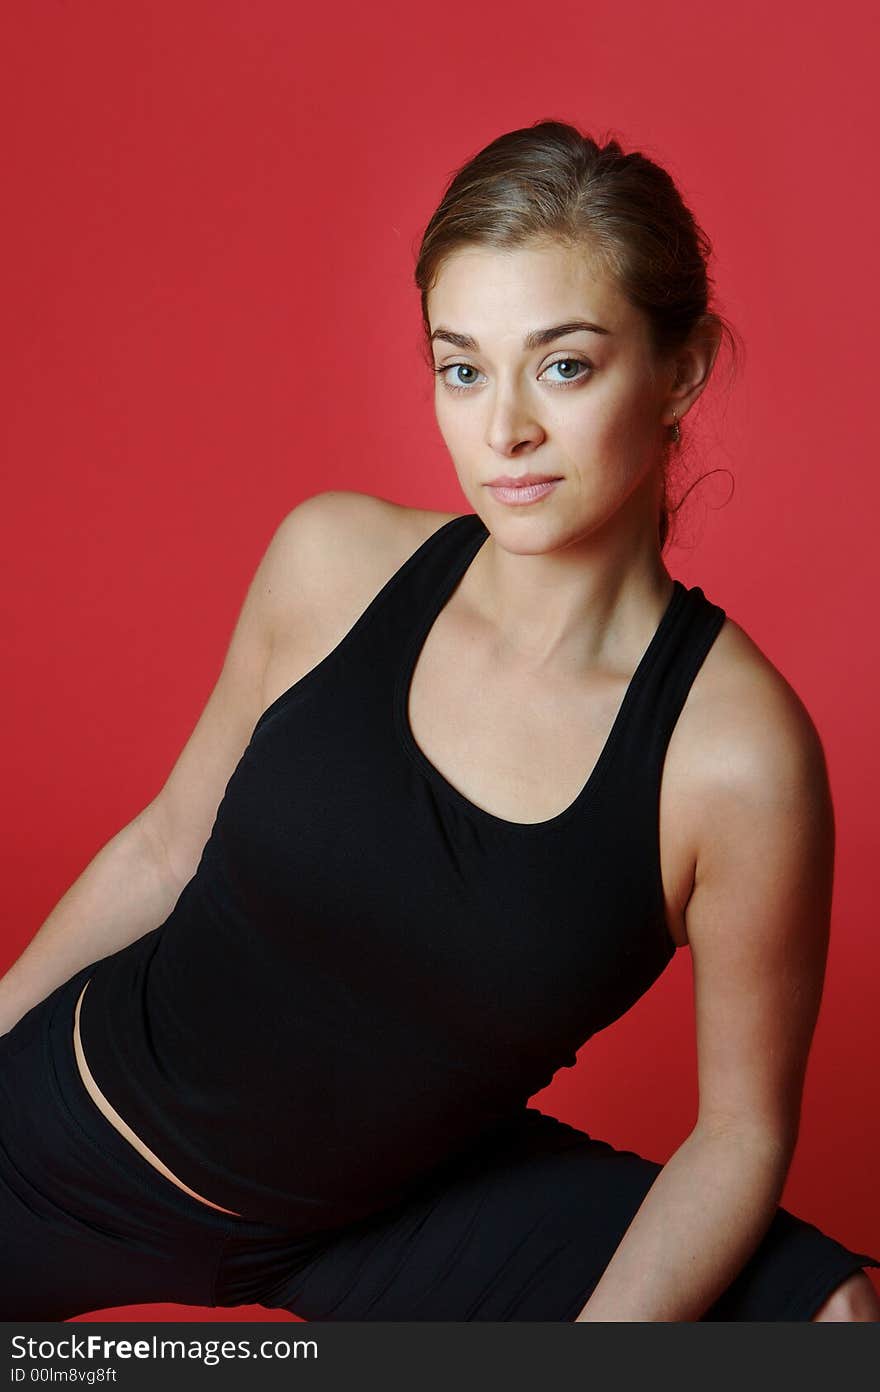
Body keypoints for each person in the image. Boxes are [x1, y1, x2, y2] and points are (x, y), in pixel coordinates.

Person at [1, 119, 878, 1323]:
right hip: (75, 1154)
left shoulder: (736, 759)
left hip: (384, 1219)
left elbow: (736, 1135)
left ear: (678, 371)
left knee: (824, 1322)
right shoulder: (333, 560)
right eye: (462, 368)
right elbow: (165, 848)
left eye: (562, 365)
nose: (503, 428)